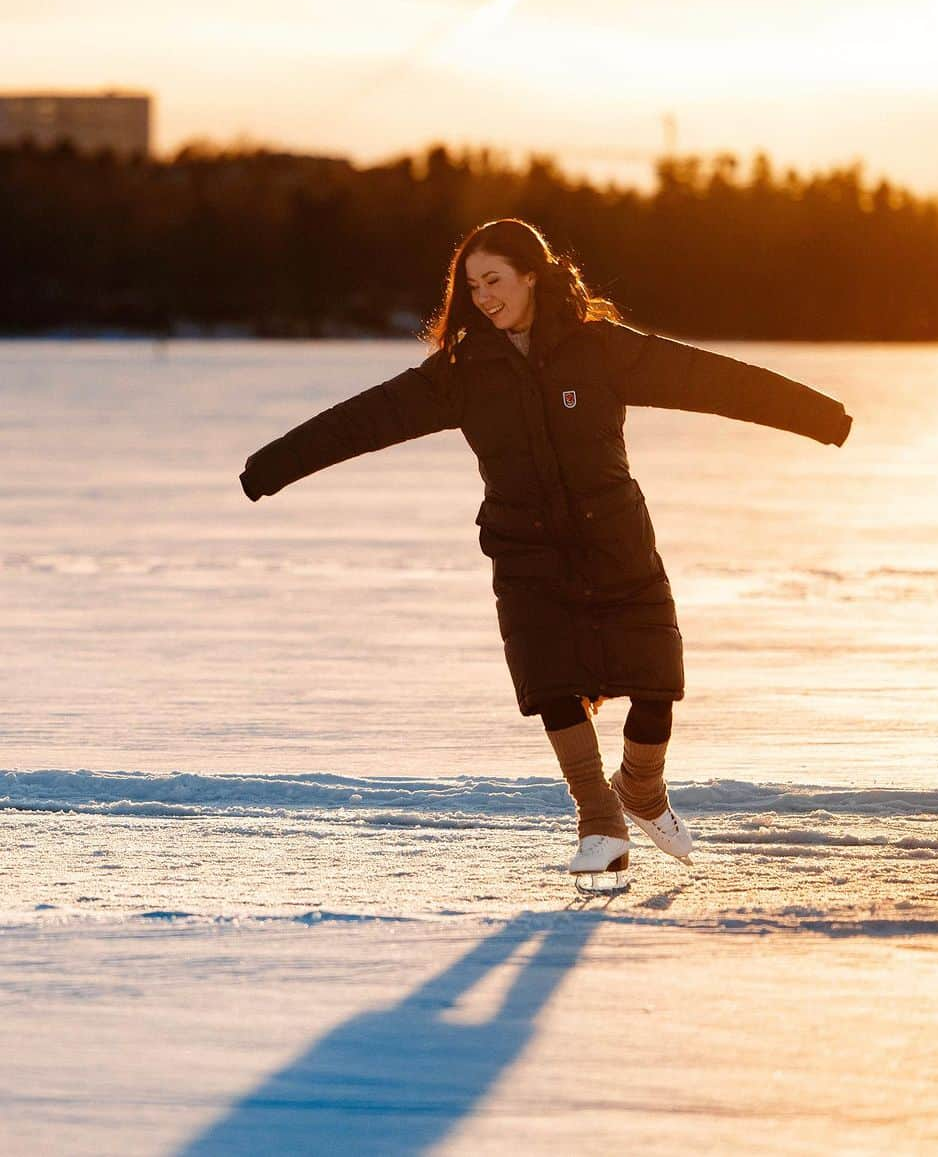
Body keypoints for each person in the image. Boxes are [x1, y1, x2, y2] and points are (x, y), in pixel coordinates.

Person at [239, 217, 853, 891]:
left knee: (655, 682)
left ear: (533, 274)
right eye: (471, 287)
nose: (484, 297)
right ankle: (600, 821)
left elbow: (707, 378)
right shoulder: (461, 372)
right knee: (553, 684)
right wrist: (271, 467)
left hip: (616, 541)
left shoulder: (599, 350)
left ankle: (641, 791)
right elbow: (362, 420)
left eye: (494, 280)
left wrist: (819, 416)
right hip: (525, 551)